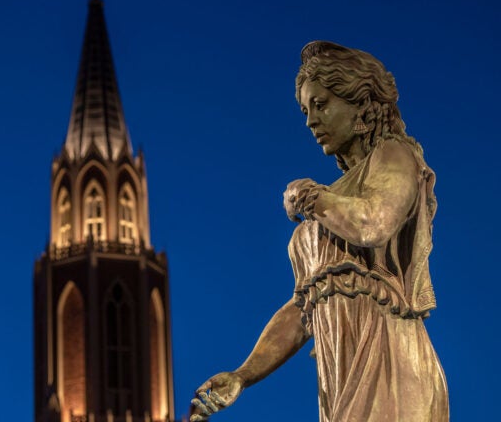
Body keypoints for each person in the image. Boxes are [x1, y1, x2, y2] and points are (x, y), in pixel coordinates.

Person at [190, 41, 448, 422]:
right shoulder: (337, 194)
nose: (311, 120)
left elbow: (372, 223)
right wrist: (242, 375)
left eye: (321, 104)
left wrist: (311, 197)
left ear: (360, 104)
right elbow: (304, 308)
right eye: (305, 110)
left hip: (390, 361)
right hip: (339, 371)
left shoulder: (394, 156)